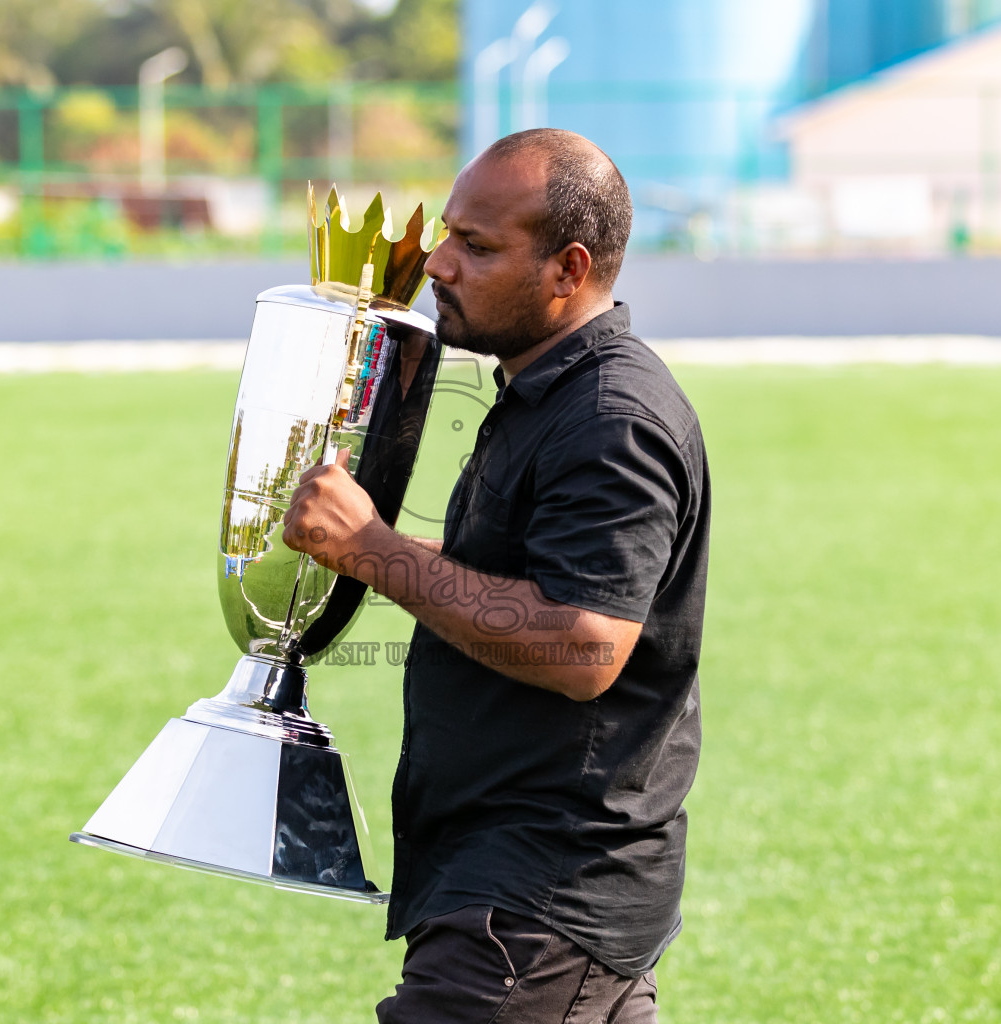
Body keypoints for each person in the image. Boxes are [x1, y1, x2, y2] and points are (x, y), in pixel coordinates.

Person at [283, 128, 710, 1024]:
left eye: (477, 246)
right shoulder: (546, 391)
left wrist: (374, 549)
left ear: (568, 269)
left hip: (539, 903)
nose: (438, 263)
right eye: (448, 233)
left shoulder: (609, 419)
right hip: (540, 892)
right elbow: (528, 589)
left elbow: (584, 644)